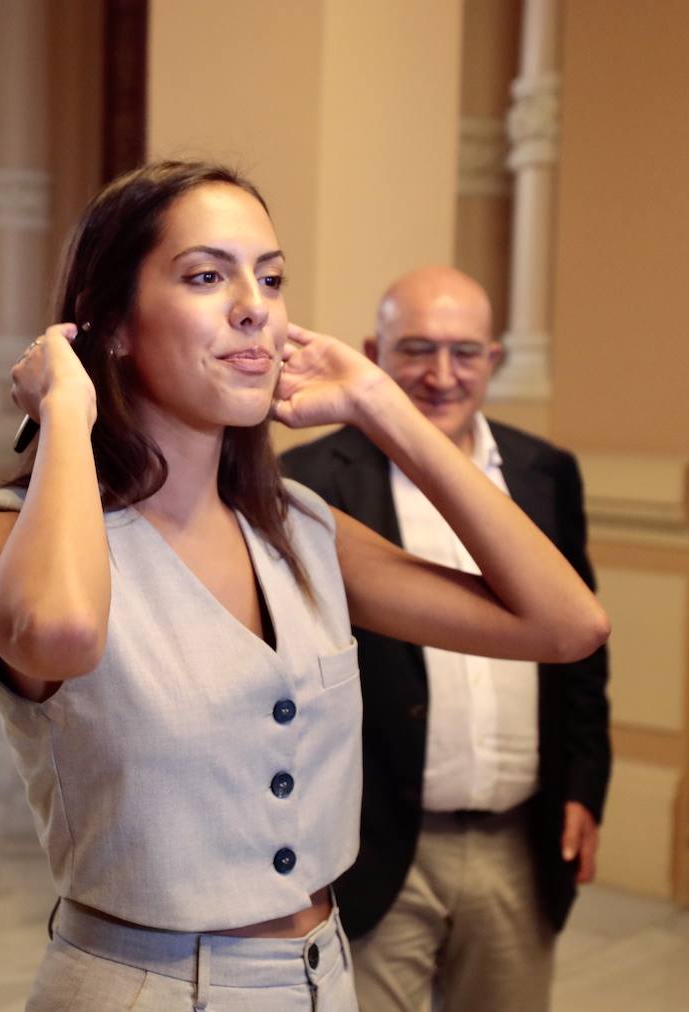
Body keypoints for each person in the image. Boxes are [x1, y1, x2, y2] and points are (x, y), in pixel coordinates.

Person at [0, 164, 608, 1012]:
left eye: (272, 276)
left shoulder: (299, 527)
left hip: (323, 981)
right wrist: (68, 410)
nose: (254, 303)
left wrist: (379, 403)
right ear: (110, 323)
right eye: (207, 275)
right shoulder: (1, 535)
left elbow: (568, 623)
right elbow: (63, 633)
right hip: (141, 986)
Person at [281, 266, 612, 1012]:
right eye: (416, 350)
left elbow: (585, 653)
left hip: (517, 844)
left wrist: (586, 786)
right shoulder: (310, 479)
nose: (440, 375)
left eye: (465, 353)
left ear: (493, 359)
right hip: (376, 843)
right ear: (374, 351)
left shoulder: (545, 472)